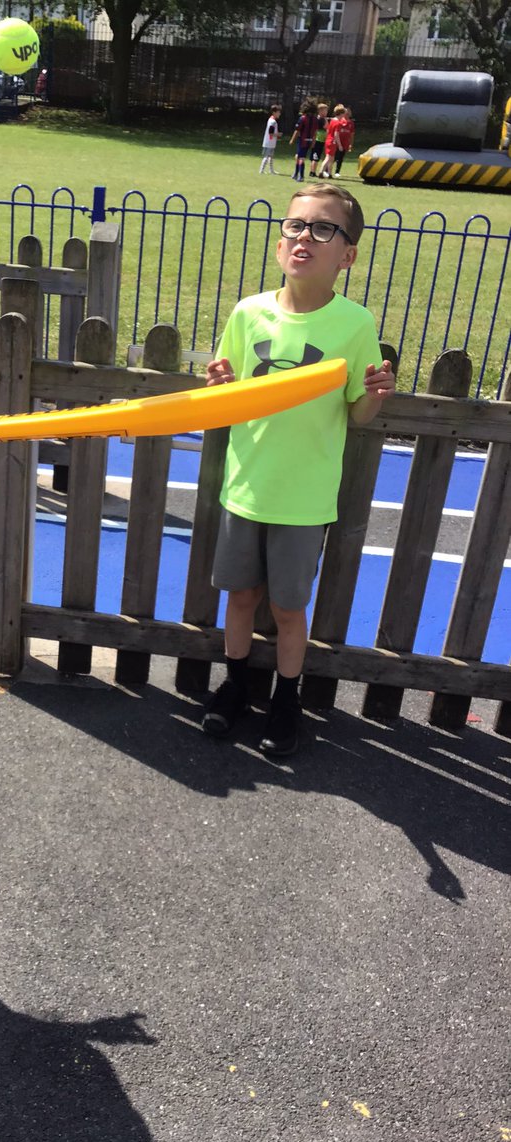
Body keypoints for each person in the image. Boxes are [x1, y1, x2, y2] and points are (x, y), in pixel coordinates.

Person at [201, 182, 395, 757]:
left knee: (287, 608)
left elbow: (357, 414)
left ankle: (287, 698)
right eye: (295, 225)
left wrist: (376, 395)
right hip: (246, 485)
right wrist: (220, 389)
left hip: (305, 497)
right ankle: (236, 685)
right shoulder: (248, 312)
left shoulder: (355, 324)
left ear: (348, 254)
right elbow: (229, 395)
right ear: (280, 239)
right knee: (239, 597)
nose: (304, 237)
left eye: (323, 228)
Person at [288, 99, 317, 182]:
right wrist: (313, 142)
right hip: (309, 140)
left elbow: (297, 130)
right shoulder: (315, 119)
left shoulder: (302, 118)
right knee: (298, 156)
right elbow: (315, 132)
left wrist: (292, 140)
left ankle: (301, 176)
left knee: (301, 158)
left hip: (302, 141)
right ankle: (296, 173)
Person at [318, 103, 347, 180]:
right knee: (328, 157)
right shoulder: (338, 123)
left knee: (332, 158)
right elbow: (336, 134)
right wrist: (339, 145)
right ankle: (321, 172)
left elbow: (328, 130)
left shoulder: (332, 120)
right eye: (344, 113)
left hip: (328, 140)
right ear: (341, 113)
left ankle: (330, 173)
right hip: (332, 142)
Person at [259, 105, 283, 174]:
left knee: (271, 156)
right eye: (278, 112)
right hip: (269, 142)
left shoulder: (272, 120)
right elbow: (271, 133)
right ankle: (261, 170)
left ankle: (271, 170)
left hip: (271, 142)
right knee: (266, 156)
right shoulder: (272, 122)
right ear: (274, 112)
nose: (279, 114)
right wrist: (278, 134)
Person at [308, 102, 329, 177]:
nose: (326, 112)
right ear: (320, 111)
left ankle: (312, 171)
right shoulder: (321, 119)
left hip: (319, 140)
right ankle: (313, 172)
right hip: (319, 140)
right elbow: (326, 127)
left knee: (315, 156)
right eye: (325, 110)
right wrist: (326, 120)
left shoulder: (316, 118)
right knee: (316, 157)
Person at [334, 105, 355, 178]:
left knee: (340, 157)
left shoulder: (351, 123)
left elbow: (352, 135)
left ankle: (337, 171)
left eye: (348, 112)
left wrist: (350, 144)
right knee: (334, 156)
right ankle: (327, 170)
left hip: (345, 143)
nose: (347, 113)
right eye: (346, 112)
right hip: (337, 142)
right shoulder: (339, 121)